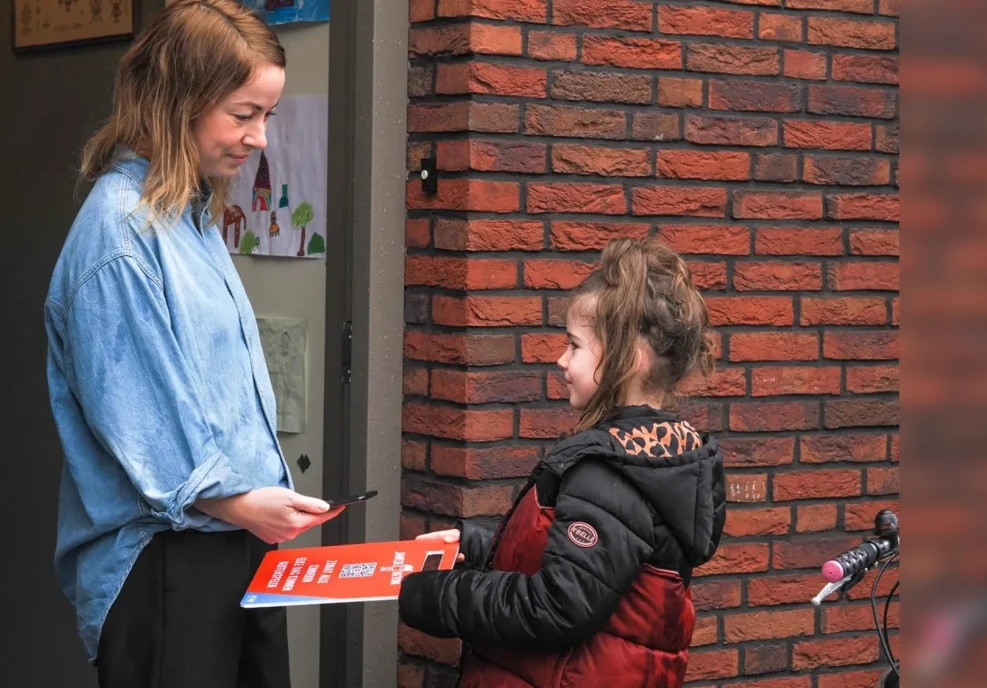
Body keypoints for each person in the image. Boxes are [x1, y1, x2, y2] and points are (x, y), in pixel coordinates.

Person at [43, 2, 339, 685]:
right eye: (244, 114)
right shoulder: (119, 237)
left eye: (265, 115)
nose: (260, 138)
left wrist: (258, 506)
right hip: (166, 559)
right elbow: (144, 427)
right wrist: (246, 504)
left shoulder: (190, 219)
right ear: (177, 104)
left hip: (232, 541)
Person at [398, 237, 728, 687]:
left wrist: (436, 596)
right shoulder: (651, 461)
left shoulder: (610, 472)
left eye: (574, 346)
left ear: (626, 360)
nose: (560, 359)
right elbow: (583, 564)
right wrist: (475, 546)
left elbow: (555, 605)